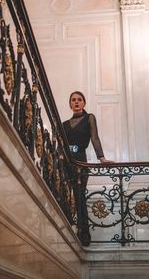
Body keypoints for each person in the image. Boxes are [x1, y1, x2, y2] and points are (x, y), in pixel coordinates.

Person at [63, 91, 111, 246]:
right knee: (67, 194)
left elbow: (94, 137)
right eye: (73, 100)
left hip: (81, 162)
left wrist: (101, 157)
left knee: (79, 194)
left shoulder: (89, 117)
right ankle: (69, 226)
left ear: (83, 103)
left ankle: (84, 233)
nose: (76, 102)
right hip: (66, 162)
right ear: (70, 104)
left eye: (79, 100)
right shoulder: (64, 124)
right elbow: (62, 145)